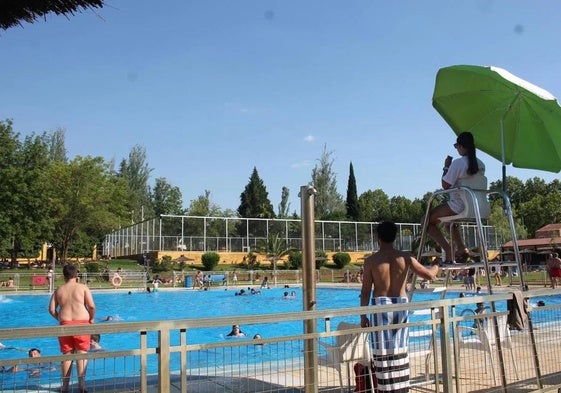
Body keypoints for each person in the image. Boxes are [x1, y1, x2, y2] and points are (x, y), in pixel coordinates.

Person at [360, 221, 439, 392]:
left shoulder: (371, 261)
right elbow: (429, 275)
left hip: (380, 310)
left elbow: (366, 291)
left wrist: (363, 316)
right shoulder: (406, 258)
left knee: (382, 354)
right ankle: (402, 389)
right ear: (394, 237)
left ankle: (385, 389)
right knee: (399, 352)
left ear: (378, 238)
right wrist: (437, 264)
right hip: (399, 309)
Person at [424, 131, 486, 263]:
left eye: (456, 145)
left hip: (459, 205)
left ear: (462, 146)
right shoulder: (481, 164)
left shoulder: (458, 163)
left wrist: (446, 166)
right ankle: (461, 247)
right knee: (448, 222)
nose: (457, 149)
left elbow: (445, 185)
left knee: (425, 221)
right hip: (478, 206)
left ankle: (448, 250)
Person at [49, 264, 96, 393]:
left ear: (64, 276)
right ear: (77, 275)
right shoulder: (83, 288)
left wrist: (59, 317)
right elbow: (91, 306)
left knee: (67, 355)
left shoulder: (59, 290)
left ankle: (65, 387)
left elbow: (52, 309)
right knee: (82, 354)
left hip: (65, 324)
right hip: (82, 324)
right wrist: (91, 318)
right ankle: (81, 386)